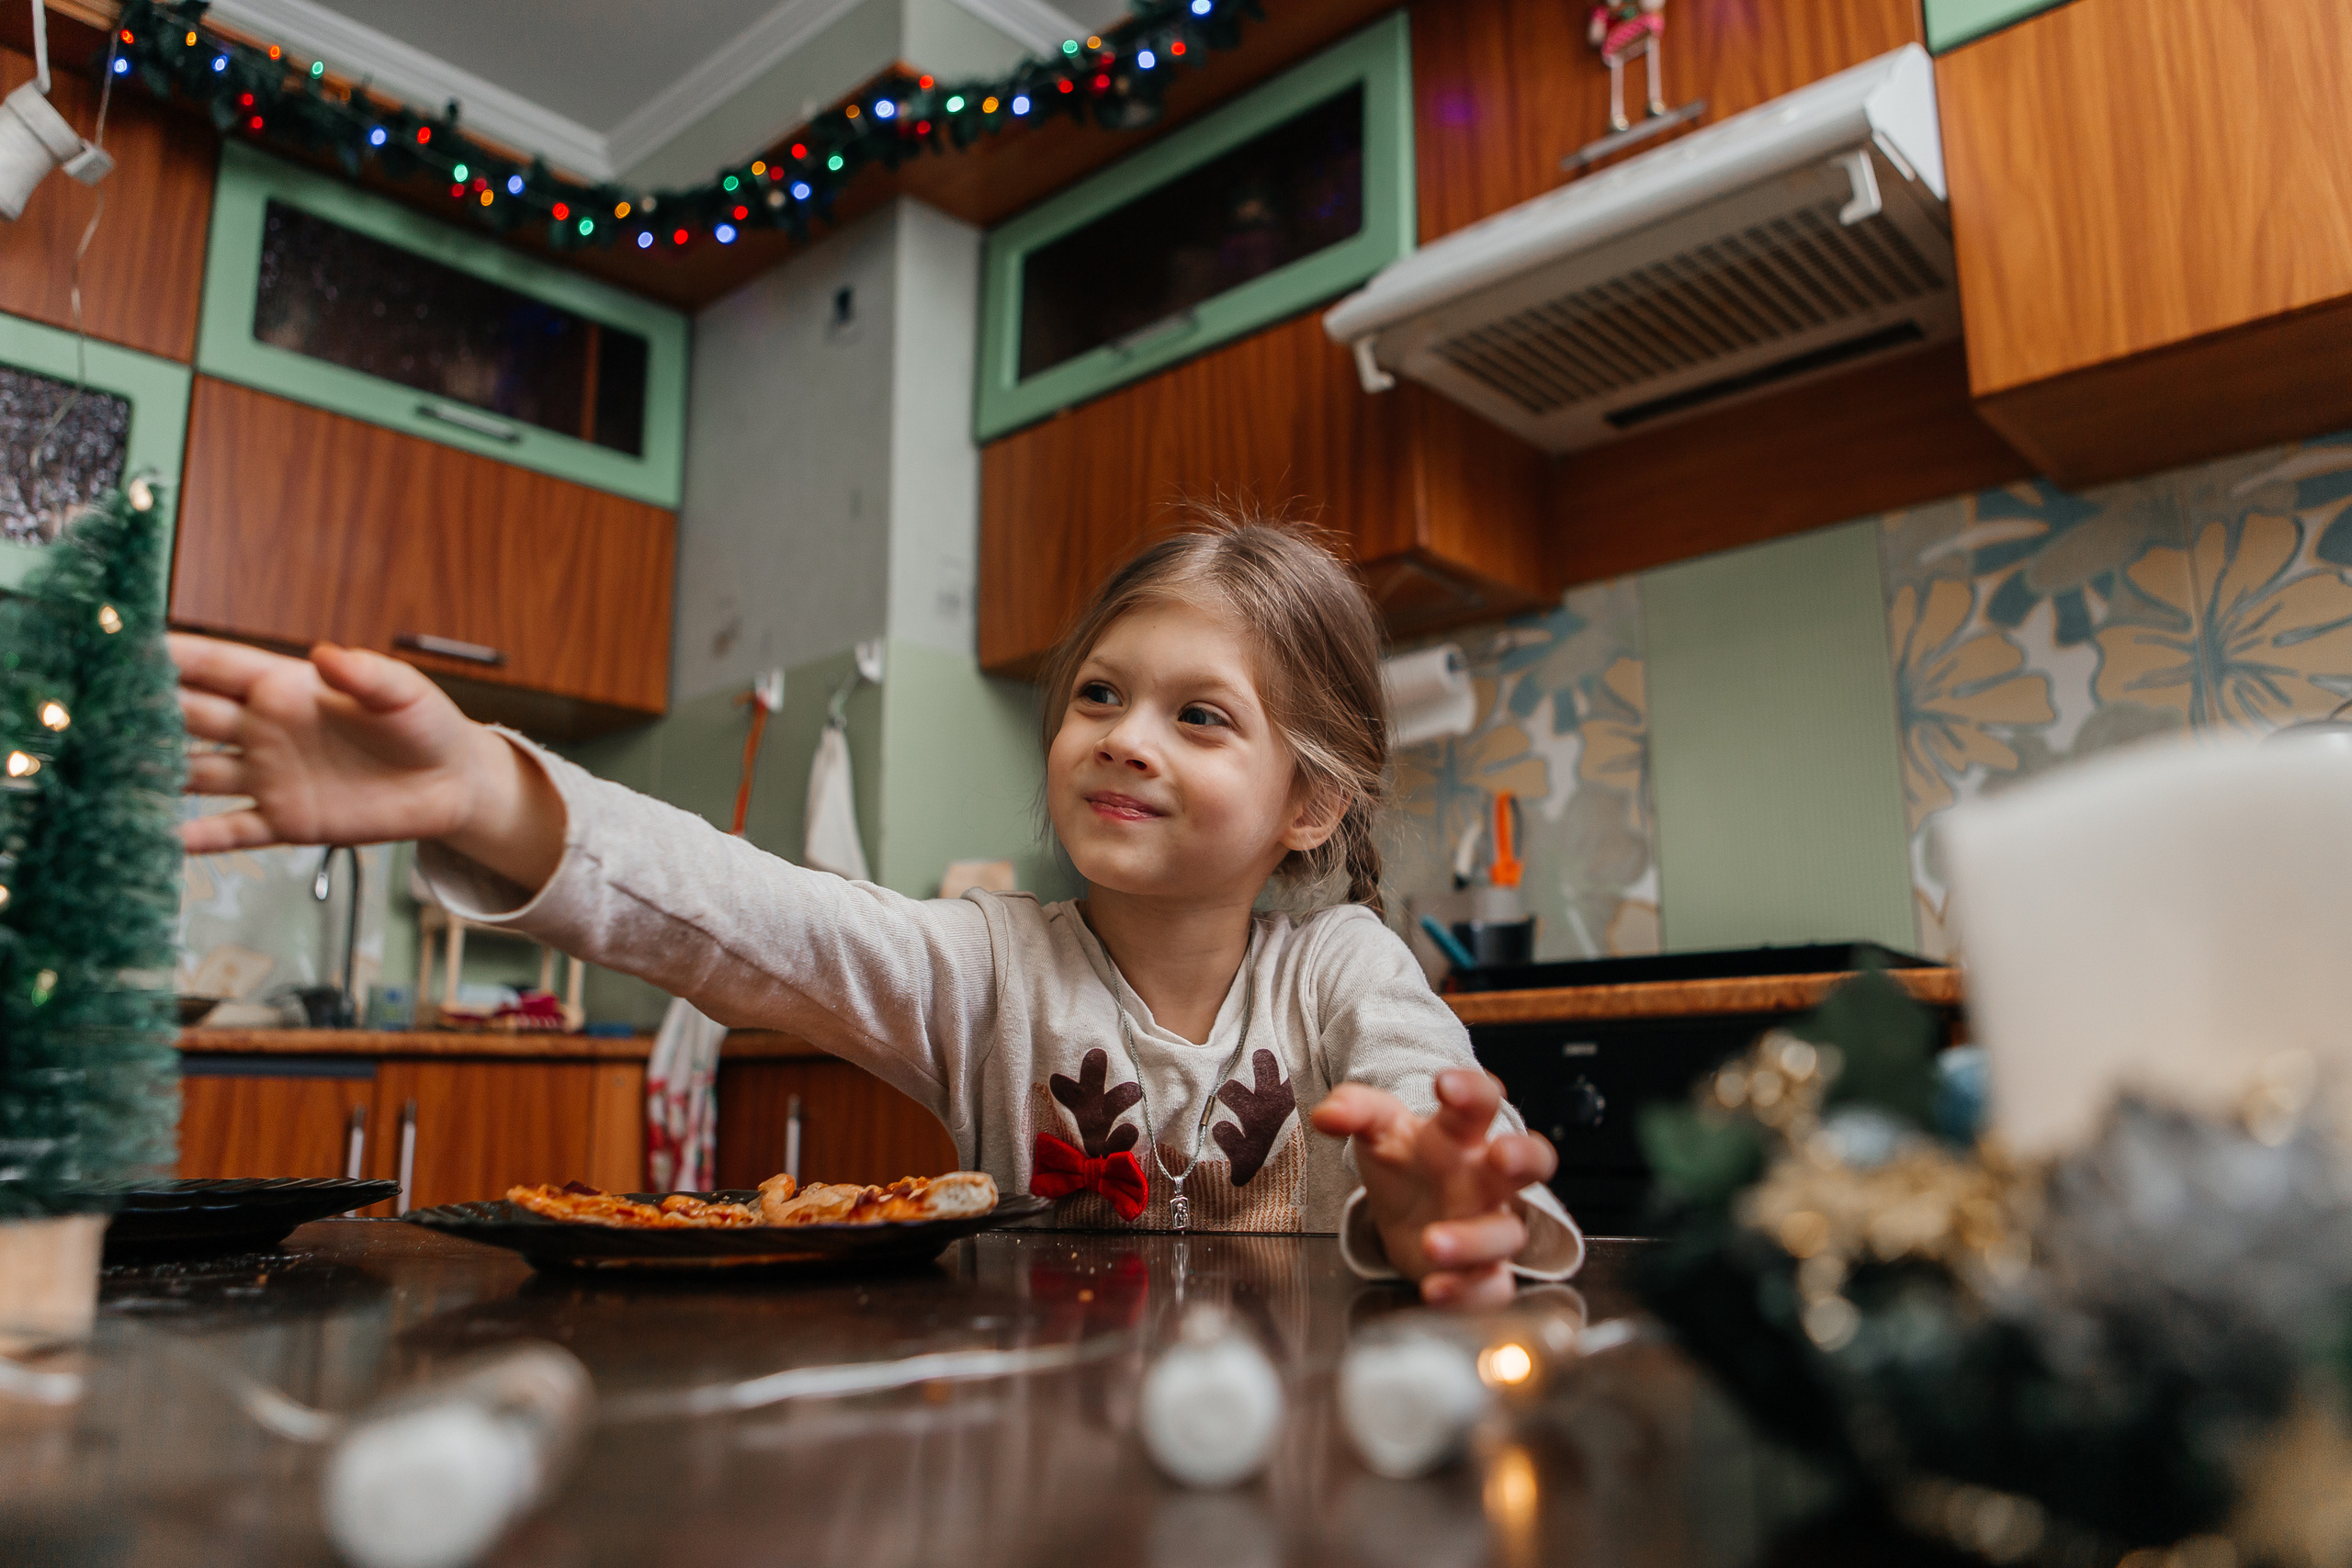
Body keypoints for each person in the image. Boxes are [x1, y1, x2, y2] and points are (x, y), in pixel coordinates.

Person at [172, 520, 1582, 1305]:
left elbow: (1426, 1103)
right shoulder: (979, 968)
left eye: (1198, 716)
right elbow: (739, 912)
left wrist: (1435, 1196)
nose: (1123, 736)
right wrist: (482, 788)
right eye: (1100, 693)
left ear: (1310, 805)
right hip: (1035, 1449)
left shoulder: (1342, 963)